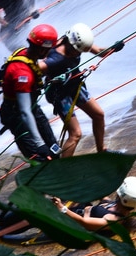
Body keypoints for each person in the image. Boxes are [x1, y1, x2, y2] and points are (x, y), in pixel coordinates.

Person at [0, 176, 136, 238]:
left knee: (35, 216)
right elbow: (100, 197)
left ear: (123, 197)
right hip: (75, 212)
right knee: (39, 203)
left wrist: (62, 208)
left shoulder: (112, 220)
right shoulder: (115, 206)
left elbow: (84, 222)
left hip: (72, 223)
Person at [39, 23, 120, 157]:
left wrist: (114, 48)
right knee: (76, 134)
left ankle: (101, 150)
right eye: (78, 51)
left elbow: (99, 51)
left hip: (75, 86)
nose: (80, 53)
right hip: (60, 95)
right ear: (70, 45)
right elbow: (36, 70)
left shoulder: (78, 44)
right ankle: (63, 168)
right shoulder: (55, 58)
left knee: (98, 115)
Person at [0, 23, 61, 162]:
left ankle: (58, 165)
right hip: (17, 114)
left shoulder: (24, 52)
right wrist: (40, 144)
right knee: (39, 157)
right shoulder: (22, 75)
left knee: (54, 148)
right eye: (48, 49)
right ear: (42, 49)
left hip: (32, 108)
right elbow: (24, 111)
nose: (49, 52)